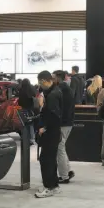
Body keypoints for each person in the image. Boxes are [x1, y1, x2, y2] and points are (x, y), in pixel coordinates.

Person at [35, 70, 62, 198]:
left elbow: (53, 115)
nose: (40, 85)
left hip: (51, 132)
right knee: (50, 159)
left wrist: (44, 127)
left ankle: (49, 187)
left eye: (40, 82)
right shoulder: (54, 91)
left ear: (45, 81)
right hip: (54, 132)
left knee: (46, 160)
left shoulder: (52, 95)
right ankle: (54, 185)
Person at [53, 70, 75, 184]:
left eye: (53, 77)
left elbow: (61, 109)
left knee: (59, 148)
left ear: (58, 78)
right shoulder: (67, 89)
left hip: (63, 124)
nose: (52, 80)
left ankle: (64, 176)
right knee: (62, 147)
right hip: (68, 122)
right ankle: (68, 170)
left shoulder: (61, 90)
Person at [17, 78, 37, 144]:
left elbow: (19, 101)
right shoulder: (32, 88)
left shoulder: (21, 89)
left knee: (24, 123)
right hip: (31, 108)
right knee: (31, 123)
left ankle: (25, 137)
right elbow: (35, 96)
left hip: (23, 108)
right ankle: (32, 138)